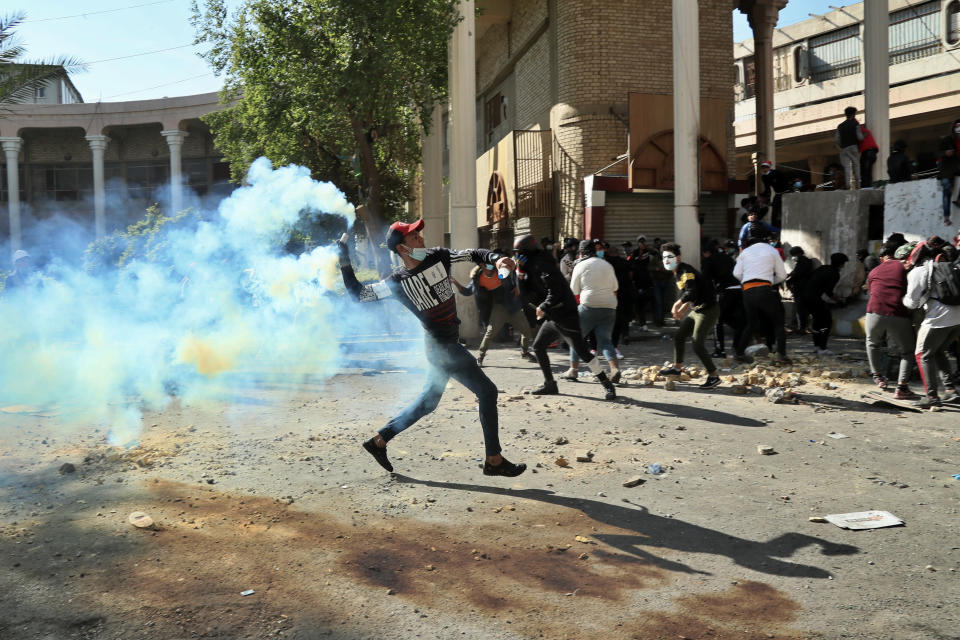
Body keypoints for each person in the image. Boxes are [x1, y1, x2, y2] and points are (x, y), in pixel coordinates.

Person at [338, 219, 526, 477]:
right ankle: (494, 459)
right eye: (414, 238)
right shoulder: (396, 282)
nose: (421, 240)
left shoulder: (438, 256)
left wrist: (497, 258)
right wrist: (344, 262)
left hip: (443, 346)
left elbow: (473, 254)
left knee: (428, 403)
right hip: (442, 347)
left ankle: (379, 441)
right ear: (402, 248)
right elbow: (358, 294)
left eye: (419, 235)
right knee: (488, 392)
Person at [513, 234, 617, 400]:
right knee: (539, 347)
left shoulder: (543, 263)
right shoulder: (529, 267)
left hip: (565, 313)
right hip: (553, 316)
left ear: (527, 250)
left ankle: (607, 385)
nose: (517, 256)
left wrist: (544, 306)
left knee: (582, 351)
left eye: (519, 252)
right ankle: (550, 384)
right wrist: (520, 272)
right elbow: (525, 295)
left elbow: (557, 290)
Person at [902, 238, 960, 408]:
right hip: (958, 318)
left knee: (922, 355)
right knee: (939, 351)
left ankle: (931, 397)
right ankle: (950, 390)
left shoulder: (919, 271)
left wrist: (903, 299)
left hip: (939, 317)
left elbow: (912, 303)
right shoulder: (952, 267)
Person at [658, 243, 722, 389]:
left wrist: (676, 305)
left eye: (669, 257)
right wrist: (683, 309)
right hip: (697, 309)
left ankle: (714, 376)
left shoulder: (686, 271)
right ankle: (677, 368)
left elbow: (691, 292)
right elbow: (693, 293)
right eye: (664, 258)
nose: (666, 260)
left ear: (678, 257)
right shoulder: (677, 272)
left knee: (697, 344)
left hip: (708, 309)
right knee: (680, 336)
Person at [452, 261, 535, 367]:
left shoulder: (500, 273)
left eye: (492, 266)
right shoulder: (478, 278)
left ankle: (524, 352)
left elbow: (513, 276)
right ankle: (480, 356)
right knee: (490, 333)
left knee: (526, 332)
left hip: (513, 307)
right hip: (499, 308)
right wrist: (456, 283)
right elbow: (467, 291)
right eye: (488, 266)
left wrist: (516, 274)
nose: (491, 269)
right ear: (482, 266)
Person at [865, 242, 919, 400]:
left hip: (873, 312)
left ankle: (878, 377)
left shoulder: (873, 271)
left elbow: (872, 291)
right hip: (897, 312)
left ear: (882, 258)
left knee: (872, 343)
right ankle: (902, 388)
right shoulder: (903, 266)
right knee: (907, 352)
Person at [733, 223, 789, 364]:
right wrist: (769, 281)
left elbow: (736, 273)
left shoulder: (745, 252)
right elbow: (782, 275)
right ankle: (781, 355)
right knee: (778, 322)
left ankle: (739, 354)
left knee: (751, 324)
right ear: (766, 237)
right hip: (765, 289)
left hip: (747, 290)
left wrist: (748, 281)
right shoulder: (772, 251)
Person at [569, 239, 622, 382]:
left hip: (589, 306)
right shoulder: (607, 265)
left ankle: (573, 370)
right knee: (605, 341)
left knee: (576, 338)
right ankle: (614, 368)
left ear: (580, 253)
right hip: (610, 306)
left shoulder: (580, 266)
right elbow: (615, 287)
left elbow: (574, 290)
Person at [701, 238, 743, 358]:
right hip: (738, 289)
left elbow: (706, 280)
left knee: (717, 321)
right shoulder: (727, 257)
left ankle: (720, 350)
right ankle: (737, 347)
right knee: (735, 321)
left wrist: (707, 297)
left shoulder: (709, 260)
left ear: (706, 253)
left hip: (724, 292)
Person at [802, 253, 849, 356]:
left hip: (805, 296)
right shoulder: (835, 274)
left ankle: (816, 346)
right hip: (814, 298)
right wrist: (839, 301)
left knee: (817, 322)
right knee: (826, 322)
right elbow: (829, 292)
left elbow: (810, 278)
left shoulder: (823, 268)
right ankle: (822, 348)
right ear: (841, 264)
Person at [603, 242, 636, 352]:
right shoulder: (624, 262)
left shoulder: (606, 263)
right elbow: (631, 275)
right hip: (625, 292)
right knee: (624, 316)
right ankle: (625, 335)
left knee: (612, 316)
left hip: (611, 292)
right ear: (617, 253)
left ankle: (610, 337)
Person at [785, 246, 815, 333]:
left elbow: (798, 274)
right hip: (803, 288)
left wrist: (788, 281)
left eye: (794, 255)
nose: (793, 257)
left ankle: (802, 328)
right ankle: (803, 327)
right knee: (802, 309)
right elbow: (796, 272)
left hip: (800, 288)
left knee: (800, 309)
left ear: (798, 253)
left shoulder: (803, 261)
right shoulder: (803, 261)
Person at [628, 235, 656, 329]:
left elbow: (656, 255)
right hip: (637, 280)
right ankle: (636, 320)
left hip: (646, 280)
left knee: (643, 303)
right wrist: (640, 252)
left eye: (643, 241)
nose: (642, 243)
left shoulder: (649, 251)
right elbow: (634, 262)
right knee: (636, 302)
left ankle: (642, 322)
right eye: (640, 241)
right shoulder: (635, 252)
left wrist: (649, 248)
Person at [937, 119, 960, 226]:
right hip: (948, 168)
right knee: (947, 191)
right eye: (957, 126)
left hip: (957, 167)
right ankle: (946, 217)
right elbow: (938, 152)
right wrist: (946, 153)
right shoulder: (947, 140)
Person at [835, 106, 863, 190]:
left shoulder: (840, 126)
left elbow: (836, 139)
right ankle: (858, 187)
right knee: (856, 166)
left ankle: (847, 186)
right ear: (853, 114)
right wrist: (863, 136)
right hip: (853, 147)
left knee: (846, 168)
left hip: (844, 149)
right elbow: (860, 137)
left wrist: (841, 147)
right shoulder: (855, 124)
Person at [759, 161, 792, 227]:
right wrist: (765, 197)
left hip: (787, 192)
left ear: (769, 167)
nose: (765, 169)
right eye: (763, 167)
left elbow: (786, 180)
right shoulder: (764, 177)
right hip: (778, 193)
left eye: (766, 167)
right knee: (774, 211)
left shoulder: (777, 172)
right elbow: (767, 188)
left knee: (786, 209)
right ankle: (774, 227)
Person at [859, 123, 879, 188]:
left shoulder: (858, 132)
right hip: (873, 153)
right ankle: (869, 187)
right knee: (868, 172)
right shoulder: (866, 131)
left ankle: (864, 188)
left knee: (864, 173)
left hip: (867, 153)